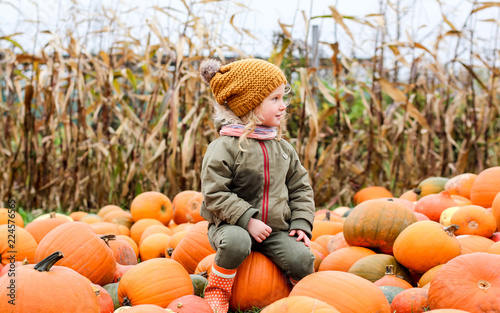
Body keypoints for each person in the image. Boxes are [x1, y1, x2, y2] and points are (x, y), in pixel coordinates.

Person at [199, 58, 315, 313]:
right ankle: (218, 291)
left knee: (302, 259)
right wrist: (247, 220)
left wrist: (301, 224)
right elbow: (214, 193)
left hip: (275, 229)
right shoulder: (225, 147)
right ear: (249, 104)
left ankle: (296, 299)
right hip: (231, 225)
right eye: (274, 99)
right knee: (237, 242)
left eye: (282, 98)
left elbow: (300, 188)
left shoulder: (283, 148)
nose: (283, 106)